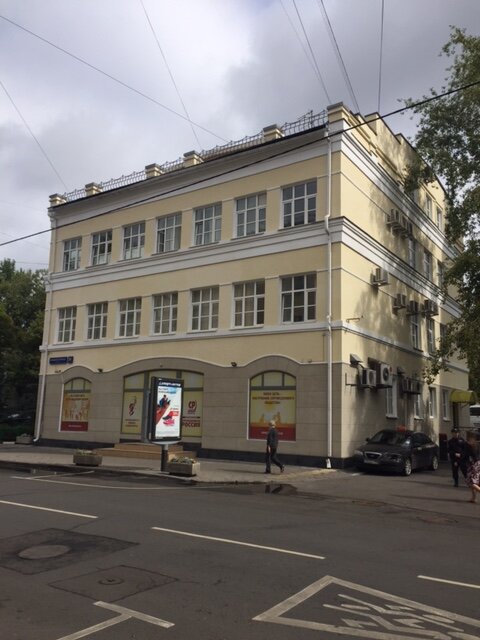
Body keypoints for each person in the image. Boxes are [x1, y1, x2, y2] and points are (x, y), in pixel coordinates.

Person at [465, 432, 480, 503]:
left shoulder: (472, 446)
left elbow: (472, 456)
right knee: (474, 481)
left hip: (474, 464)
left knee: (471, 482)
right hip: (476, 464)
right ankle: (473, 498)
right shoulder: (476, 445)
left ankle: (474, 498)